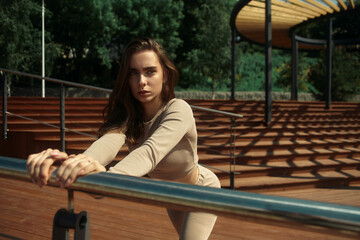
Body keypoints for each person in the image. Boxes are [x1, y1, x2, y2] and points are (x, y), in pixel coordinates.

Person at [27, 37, 221, 240]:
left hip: (200, 190)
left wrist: (107, 179)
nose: (141, 81)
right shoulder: (129, 116)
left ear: (165, 75)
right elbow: (107, 143)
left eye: (150, 71)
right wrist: (76, 162)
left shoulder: (178, 109)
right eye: (133, 73)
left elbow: (149, 153)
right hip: (172, 194)